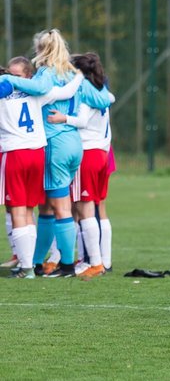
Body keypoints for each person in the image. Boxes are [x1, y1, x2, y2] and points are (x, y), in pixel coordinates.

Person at [6, 30, 112, 278]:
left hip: (55, 142)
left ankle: (64, 265)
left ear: (41, 50)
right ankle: (36, 261)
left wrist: (9, 81)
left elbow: (40, 86)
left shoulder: (47, 72)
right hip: (74, 143)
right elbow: (103, 99)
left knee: (59, 207)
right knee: (47, 206)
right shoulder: (74, 74)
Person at [0, 55, 84, 278]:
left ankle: (26, 268)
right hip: (37, 153)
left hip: (15, 153)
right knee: (28, 210)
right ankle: (30, 264)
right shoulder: (37, 93)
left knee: (18, 210)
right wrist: (79, 75)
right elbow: (65, 92)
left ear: (27, 76)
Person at [47, 52, 114, 279]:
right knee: (82, 208)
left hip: (88, 152)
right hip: (100, 152)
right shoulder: (100, 91)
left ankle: (96, 262)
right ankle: (88, 260)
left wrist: (62, 119)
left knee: (84, 209)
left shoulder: (85, 91)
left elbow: (83, 121)